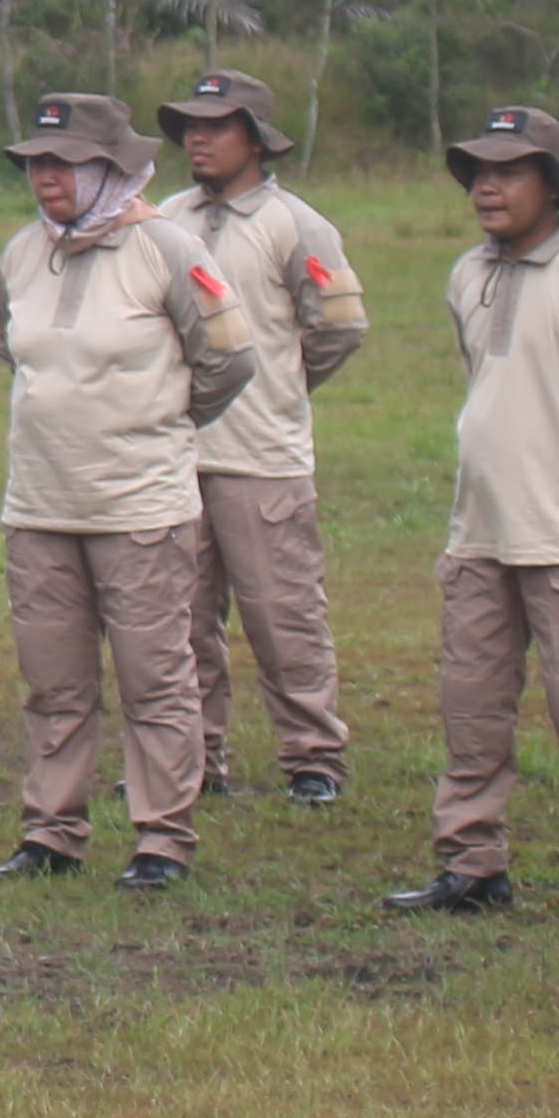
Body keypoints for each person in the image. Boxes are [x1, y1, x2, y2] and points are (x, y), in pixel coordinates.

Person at [391, 105, 559, 926]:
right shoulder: (465, 275)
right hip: (479, 530)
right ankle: (472, 864)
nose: (487, 187)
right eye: (477, 172)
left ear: (550, 184)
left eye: (508, 172)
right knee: (472, 710)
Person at [0, 93, 255, 892]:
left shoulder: (166, 250)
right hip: (40, 505)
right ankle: (51, 832)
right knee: (53, 682)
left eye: (63, 163)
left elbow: (229, 359)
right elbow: (14, 346)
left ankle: (162, 836)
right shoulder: (24, 253)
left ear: (109, 170)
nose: (46, 178)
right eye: (36, 162)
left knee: (155, 677)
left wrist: (160, 422)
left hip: (138, 508)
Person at [151, 68, 365, 805]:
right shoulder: (164, 217)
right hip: (176, 454)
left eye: (217, 125)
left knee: (284, 615)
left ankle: (312, 757)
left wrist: (278, 388)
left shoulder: (296, 223)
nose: (199, 138)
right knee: (181, 619)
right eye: (190, 126)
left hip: (261, 457)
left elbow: (338, 326)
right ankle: (193, 756)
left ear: (257, 138)